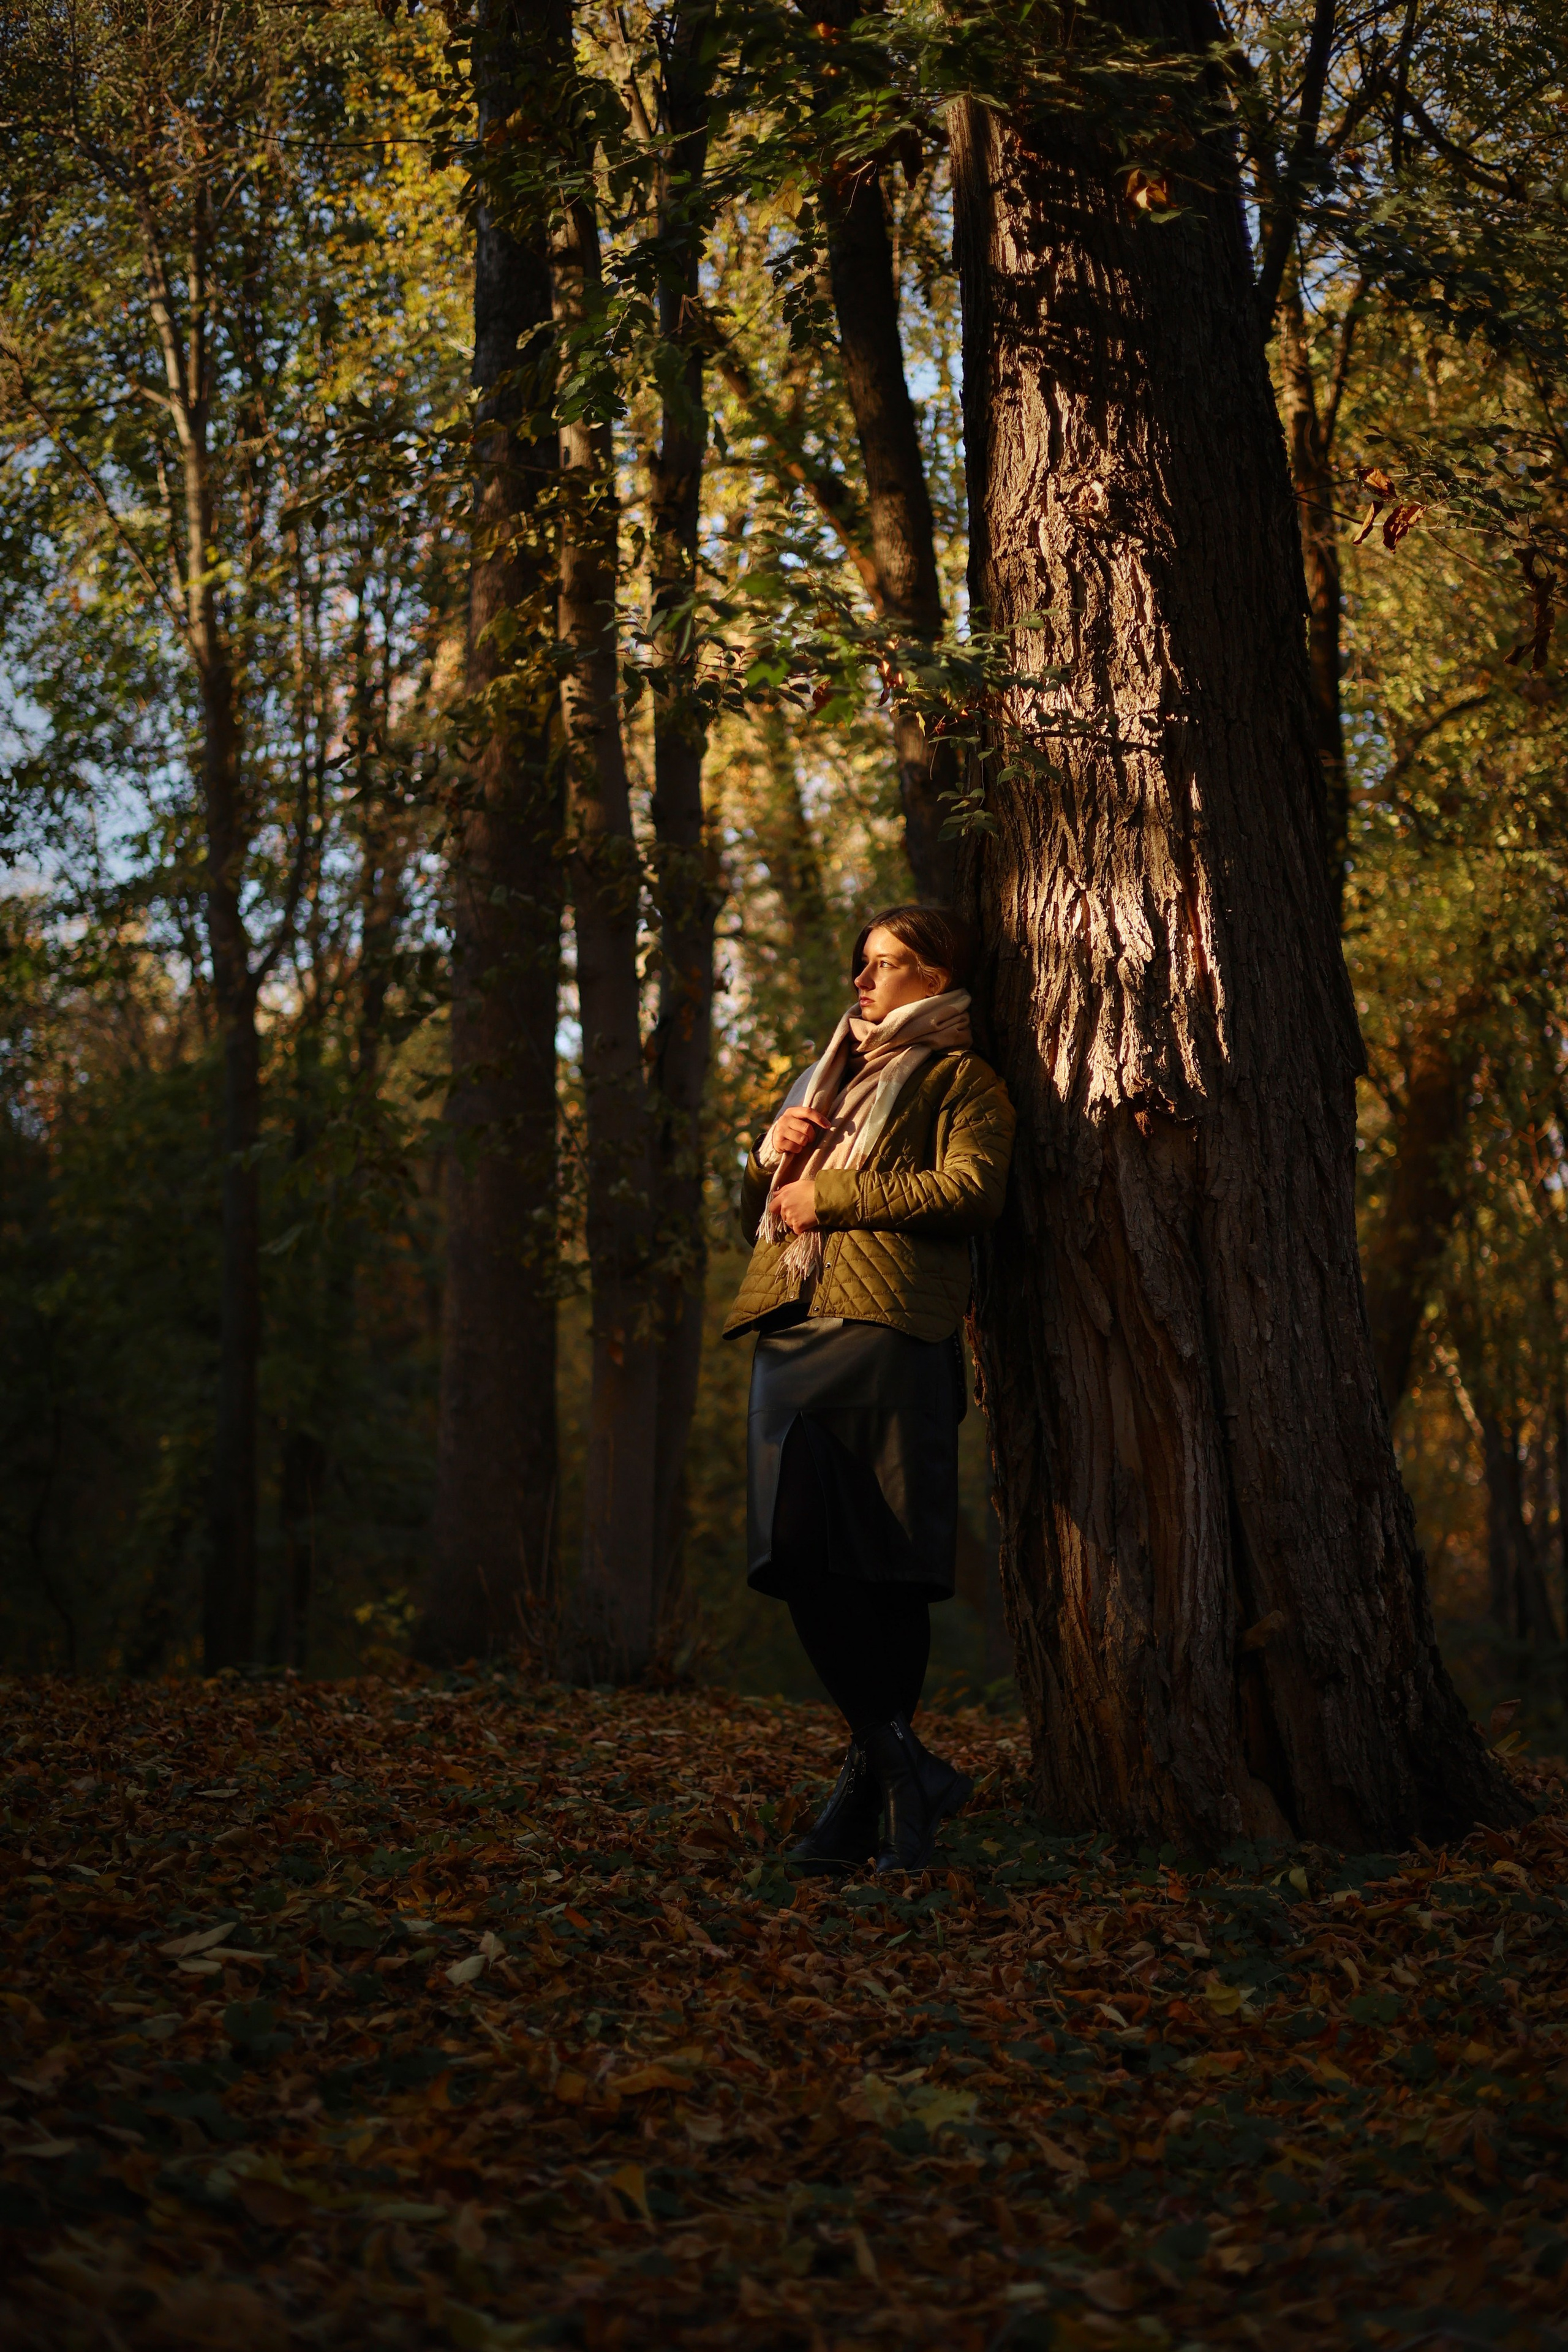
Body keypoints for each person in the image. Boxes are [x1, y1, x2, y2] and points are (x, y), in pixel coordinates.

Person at [723, 905, 1016, 1872]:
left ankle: (873, 1807)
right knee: (793, 1551)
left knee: (884, 1567)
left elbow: (973, 1192)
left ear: (939, 978)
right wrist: (768, 1158)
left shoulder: (961, 1079)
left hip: (891, 1329)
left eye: (887, 964)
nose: (863, 980)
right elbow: (757, 1213)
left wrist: (836, 1193)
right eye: (862, 962)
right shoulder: (823, 1080)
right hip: (790, 1325)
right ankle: (906, 1767)